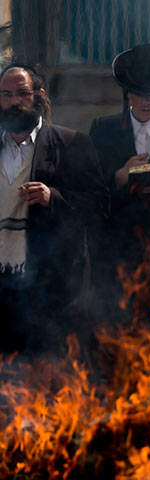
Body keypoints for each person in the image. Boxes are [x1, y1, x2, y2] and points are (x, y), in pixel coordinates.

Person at [0, 65, 108, 351]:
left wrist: (53, 197)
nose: (14, 102)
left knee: (49, 374)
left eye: (22, 93)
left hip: (50, 284)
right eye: (6, 95)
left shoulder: (71, 143)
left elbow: (99, 205)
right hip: (2, 284)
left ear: (38, 96)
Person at [89, 44, 150, 319]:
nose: (147, 102)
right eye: (140, 94)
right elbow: (89, 188)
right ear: (127, 93)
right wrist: (120, 176)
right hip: (118, 249)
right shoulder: (103, 128)